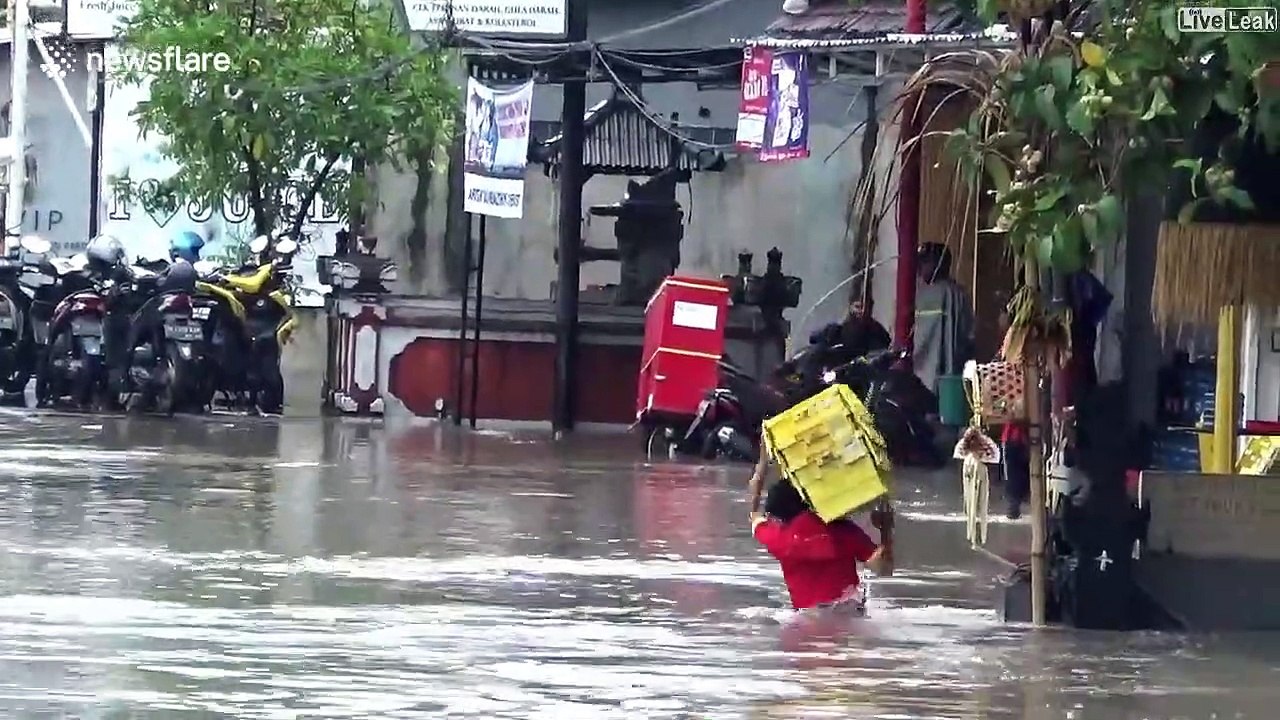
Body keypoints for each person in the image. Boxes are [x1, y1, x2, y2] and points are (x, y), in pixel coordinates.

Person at [749, 475, 894, 611]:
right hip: (849, 612)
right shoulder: (842, 530)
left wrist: (755, 503)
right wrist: (886, 530)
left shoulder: (778, 537)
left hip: (806, 619)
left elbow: (756, 520)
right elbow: (883, 569)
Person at [913, 242, 974, 399]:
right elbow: (969, 337)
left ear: (939, 263)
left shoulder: (923, 295)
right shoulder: (959, 294)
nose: (920, 268)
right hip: (950, 384)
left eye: (925, 262)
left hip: (920, 383)